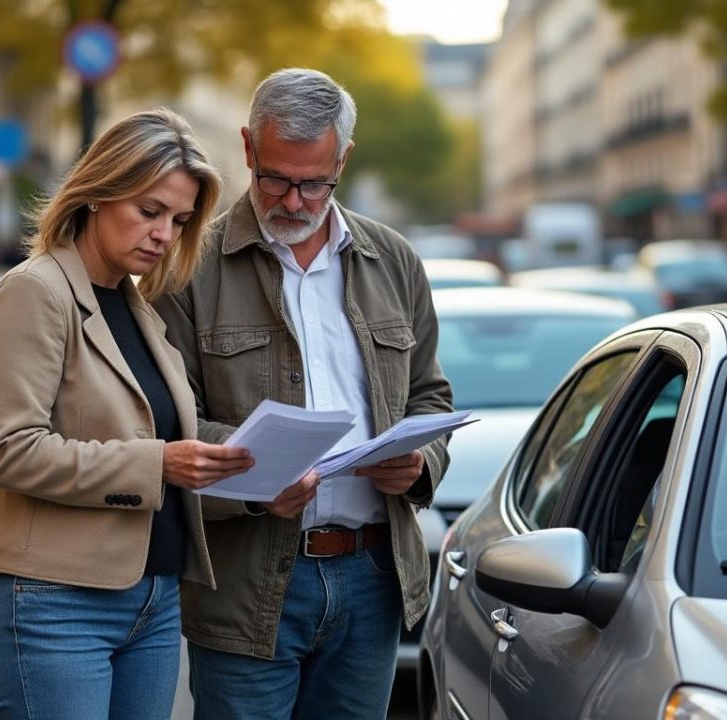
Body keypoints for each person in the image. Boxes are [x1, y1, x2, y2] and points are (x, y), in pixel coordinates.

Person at [154, 68, 454, 719]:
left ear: (342, 159)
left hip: (372, 578)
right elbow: (162, 426)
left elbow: (431, 395)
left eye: (314, 182)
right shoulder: (187, 268)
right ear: (246, 148)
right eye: (274, 179)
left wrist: (419, 463)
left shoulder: (394, 260)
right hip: (245, 585)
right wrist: (260, 481)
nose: (293, 201)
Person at [0, 108, 254, 720]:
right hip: (55, 604)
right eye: (148, 211)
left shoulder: (137, 304)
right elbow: (8, 449)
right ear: (98, 194)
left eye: (178, 221)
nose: (163, 234)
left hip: (153, 599)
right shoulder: (35, 291)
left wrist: (251, 457)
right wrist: (159, 465)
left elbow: (160, 432)